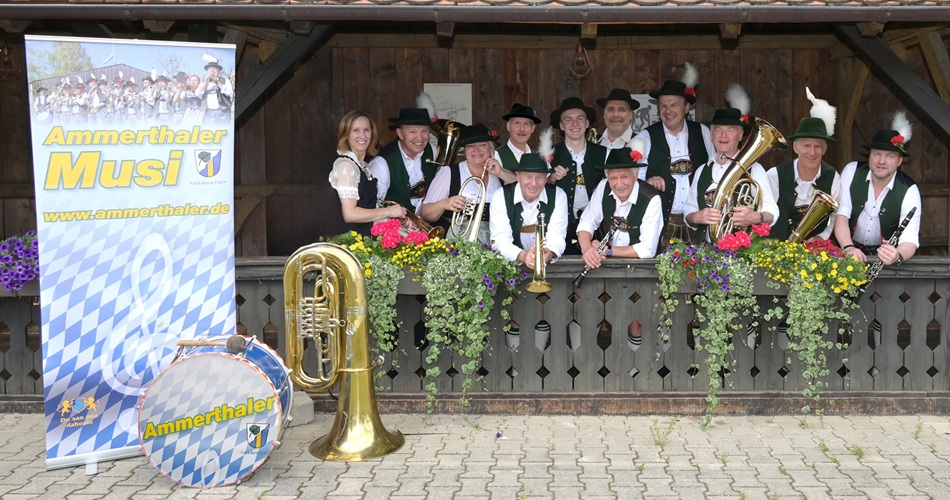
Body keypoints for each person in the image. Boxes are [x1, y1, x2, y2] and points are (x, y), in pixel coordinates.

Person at [684, 89, 778, 242]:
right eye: (718, 130)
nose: (723, 135)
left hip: (742, 251)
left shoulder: (754, 169)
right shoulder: (702, 171)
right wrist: (697, 217)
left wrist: (756, 217)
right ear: (711, 135)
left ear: (740, 135)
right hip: (706, 251)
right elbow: (689, 211)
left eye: (730, 130)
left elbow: (772, 211)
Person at [636, 64, 715, 244]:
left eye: (674, 105)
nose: (668, 110)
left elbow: (714, 170)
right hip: (660, 222)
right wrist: (648, 182)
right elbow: (633, 180)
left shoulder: (703, 133)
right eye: (663, 106)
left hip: (698, 222)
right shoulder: (644, 137)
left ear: (686, 107)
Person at [834, 112, 921, 266]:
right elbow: (841, 214)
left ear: (899, 161)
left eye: (890, 156)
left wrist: (897, 256)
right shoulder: (851, 171)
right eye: (877, 154)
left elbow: (910, 239)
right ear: (869, 156)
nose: (881, 161)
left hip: (883, 259)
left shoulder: (909, 190)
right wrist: (848, 247)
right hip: (847, 249)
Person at [766, 88, 841, 241]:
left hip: (814, 251)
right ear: (796, 147)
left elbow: (835, 216)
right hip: (776, 249)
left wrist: (821, 237)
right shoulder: (774, 175)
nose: (812, 152)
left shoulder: (833, 176)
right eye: (807, 146)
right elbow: (766, 212)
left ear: (824, 149)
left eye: (817, 146)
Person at [577, 139, 663, 269]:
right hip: (605, 266)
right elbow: (587, 222)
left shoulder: (651, 199)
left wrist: (608, 250)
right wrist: (587, 249)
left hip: (641, 269)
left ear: (635, 176)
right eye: (613, 178)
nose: (619, 184)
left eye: (624, 177)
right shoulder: (603, 187)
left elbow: (647, 249)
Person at [420, 123, 506, 243]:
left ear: (491, 149)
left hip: (493, 238)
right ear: (465, 151)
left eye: (482, 144)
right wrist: (444, 203)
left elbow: (521, 188)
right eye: (470, 146)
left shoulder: (500, 174)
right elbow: (425, 213)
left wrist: (501, 173)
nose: (476, 150)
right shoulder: (449, 173)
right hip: (456, 240)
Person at [328, 110, 406, 237]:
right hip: (354, 241)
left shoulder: (363, 166)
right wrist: (388, 211)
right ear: (346, 135)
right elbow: (350, 214)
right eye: (356, 130)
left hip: (367, 237)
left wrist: (398, 223)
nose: (362, 136)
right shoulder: (346, 166)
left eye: (366, 130)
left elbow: (370, 210)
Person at [546, 97, 608, 254]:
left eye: (580, 119)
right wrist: (551, 179)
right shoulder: (548, 154)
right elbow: (535, 189)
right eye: (568, 120)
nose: (574, 124)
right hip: (559, 227)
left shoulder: (604, 153)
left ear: (587, 123)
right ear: (561, 126)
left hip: (597, 226)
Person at [489, 152, 568, 270]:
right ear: (517, 176)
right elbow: (500, 240)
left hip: (548, 268)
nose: (534, 183)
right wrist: (524, 256)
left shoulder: (558, 195)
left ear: (546, 178)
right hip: (511, 269)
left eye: (539, 177)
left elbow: (557, 235)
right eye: (528, 177)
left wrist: (549, 253)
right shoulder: (501, 196)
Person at [369, 108, 437, 214]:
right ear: (400, 133)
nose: (420, 138)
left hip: (429, 219)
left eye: (424, 131)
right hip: (396, 223)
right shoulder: (381, 164)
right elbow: (373, 208)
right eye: (413, 131)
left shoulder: (432, 151)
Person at [495, 103, 541, 174]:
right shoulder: (497, 156)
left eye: (526, 124)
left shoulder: (538, 156)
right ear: (508, 126)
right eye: (517, 123)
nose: (522, 129)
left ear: (532, 128)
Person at [199, 59, 233, 124]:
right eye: (210, 69)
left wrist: (216, 82)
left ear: (219, 71)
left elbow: (229, 92)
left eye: (214, 69)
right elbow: (198, 94)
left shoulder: (225, 80)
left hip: (223, 112)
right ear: (207, 71)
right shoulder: (203, 82)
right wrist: (206, 81)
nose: (212, 71)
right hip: (209, 112)